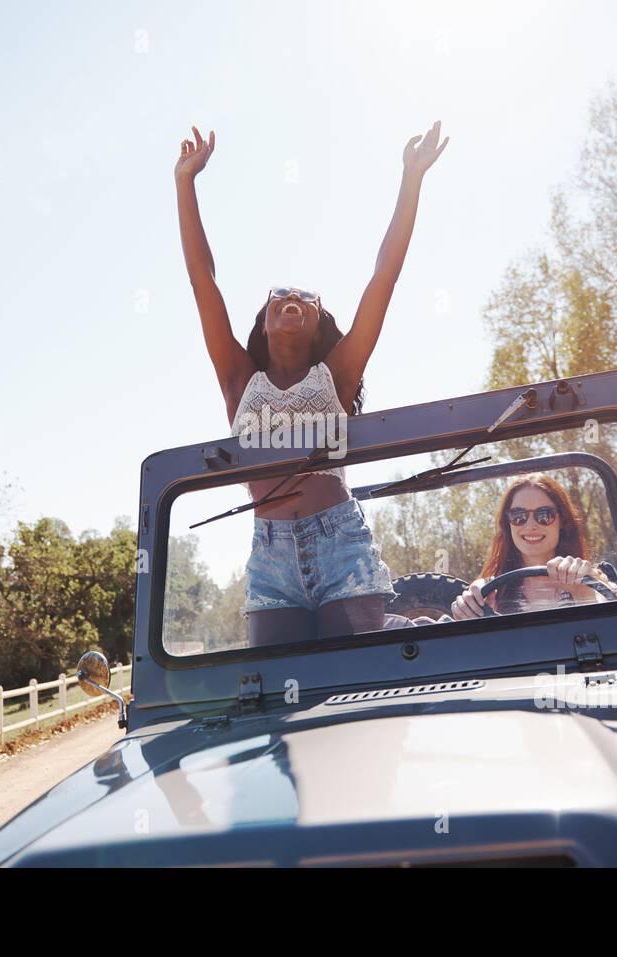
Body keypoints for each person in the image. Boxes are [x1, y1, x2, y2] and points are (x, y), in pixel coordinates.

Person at [173, 121, 449, 645]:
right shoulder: (238, 379)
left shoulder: (336, 377)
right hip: (268, 554)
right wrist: (186, 181)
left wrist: (411, 178)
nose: (292, 297)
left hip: (340, 543)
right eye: (281, 292)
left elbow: (383, 278)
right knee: (277, 697)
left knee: (357, 682)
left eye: (308, 295)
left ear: (321, 321)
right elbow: (201, 280)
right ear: (264, 319)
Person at [450, 473, 617, 620]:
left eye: (544, 515)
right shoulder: (491, 592)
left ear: (562, 521)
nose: (530, 526)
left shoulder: (594, 580)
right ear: (508, 523)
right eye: (518, 516)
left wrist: (583, 594)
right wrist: (468, 609)